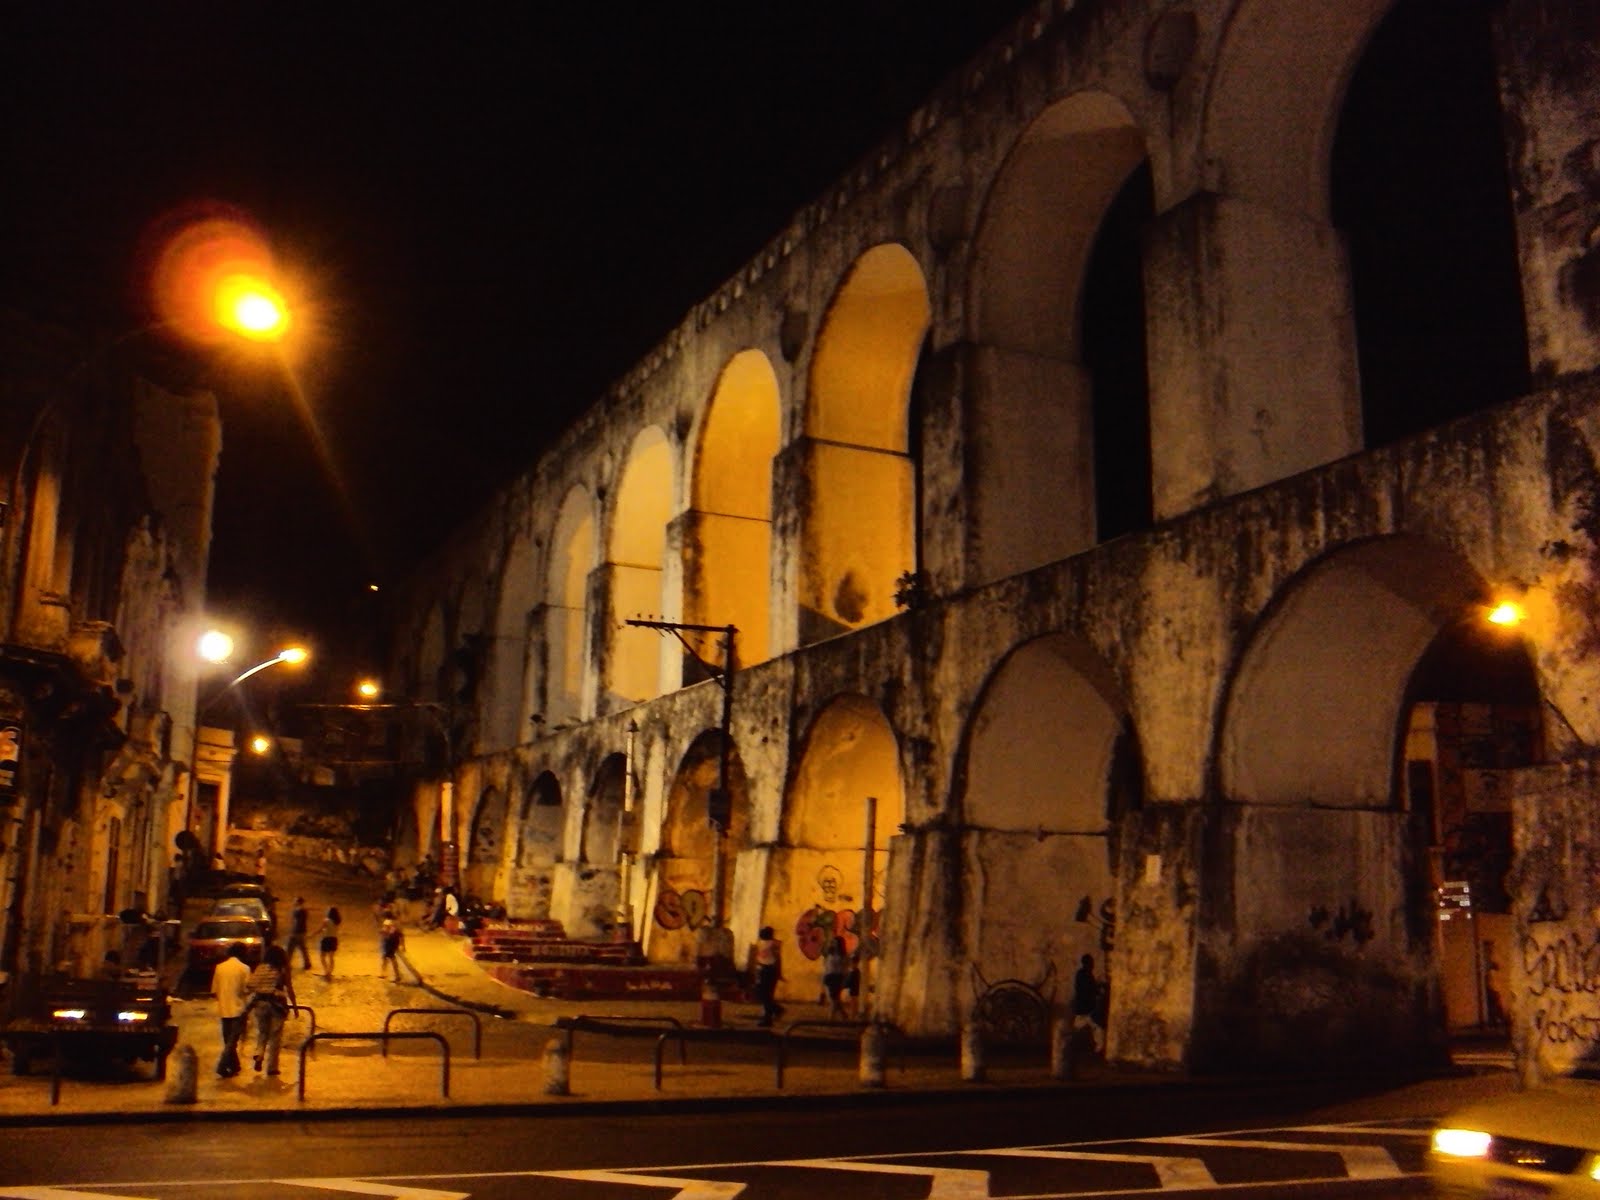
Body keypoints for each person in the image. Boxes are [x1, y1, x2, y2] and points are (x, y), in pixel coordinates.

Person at [244, 943, 296, 1075]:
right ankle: (272, 1067)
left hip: (260, 1004)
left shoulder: (260, 968)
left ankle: (259, 1054)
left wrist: (262, 989)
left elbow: (250, 985)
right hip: (276, 1005)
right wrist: (295, 1007)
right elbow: (289, 988)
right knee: (275, 1037)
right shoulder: (282, 969)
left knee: (262, 1033)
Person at [212, 943, 251, 1078]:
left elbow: (214, 990)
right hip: (238, 1009)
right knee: (232, 1041)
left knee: (228, 1040)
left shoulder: (219, 968)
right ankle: (221, 1067)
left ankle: (235, 1066)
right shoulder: (244, 968)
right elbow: (246, 990)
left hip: (223, 1009)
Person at [1072, 953, 1104, 1054]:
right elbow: (1089, 989)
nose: (1093, 965)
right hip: (1086, 1007)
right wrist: (1098, 989)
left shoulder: (1082, 974)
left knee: (1080, 1027)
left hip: (1083, 1007)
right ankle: (1099, 1047)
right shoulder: (1085, 975)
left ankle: (1073, 1046)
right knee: (1096, 1027)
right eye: (1091, 963)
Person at [753, 925, 783, 1027]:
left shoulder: (773, 944)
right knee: (762, 994)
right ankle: (775, 1010)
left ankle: (769, 1017)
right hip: (762, 969)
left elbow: (777, 958)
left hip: (769, 970)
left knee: (766, 994)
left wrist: (779, 972)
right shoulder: (761, 943)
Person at [820, 932, 850, 1021]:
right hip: (830, 976)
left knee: (834, 998)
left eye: (835, 943)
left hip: (838, 977)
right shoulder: (830, 953)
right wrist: (824, 976)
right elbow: (826, 966)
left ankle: (831, 1017)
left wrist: (845, 978)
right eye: (833, 942)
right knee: (835, 998)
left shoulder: (844, 955)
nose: (834, 944)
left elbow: (845, 968)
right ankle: (844, 1015)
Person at [285, 896, 311, 970]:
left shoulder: (299, 911)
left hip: (297, 932)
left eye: (295, 901)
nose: (294, 902)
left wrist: (293, 932)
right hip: (302, 932)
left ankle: (287, 964)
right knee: (302, 948)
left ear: (298, 902)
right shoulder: (304, 911)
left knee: (290, 948)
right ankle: (307, 963)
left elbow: (297, 923)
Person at [316, 906, 342, 980]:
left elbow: (320, 929)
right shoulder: (337, 921)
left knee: (322, 956)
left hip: (326, 939)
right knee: (331, 957)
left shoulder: (326, 920)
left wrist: (312, 934)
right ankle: (329, 972)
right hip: (334, 939)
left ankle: (326, 971)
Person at [380, 917, 405, 982]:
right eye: (385, 926)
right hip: (388, 946)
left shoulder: (394, 931)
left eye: (386, 926)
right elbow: (384, 938)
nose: (385, 927)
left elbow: (401, 936)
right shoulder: (386, 930)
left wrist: (402, 946)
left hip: (392, 947)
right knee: (385, 959)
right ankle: (384, 974)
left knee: (392, 961)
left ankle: (397, 976)